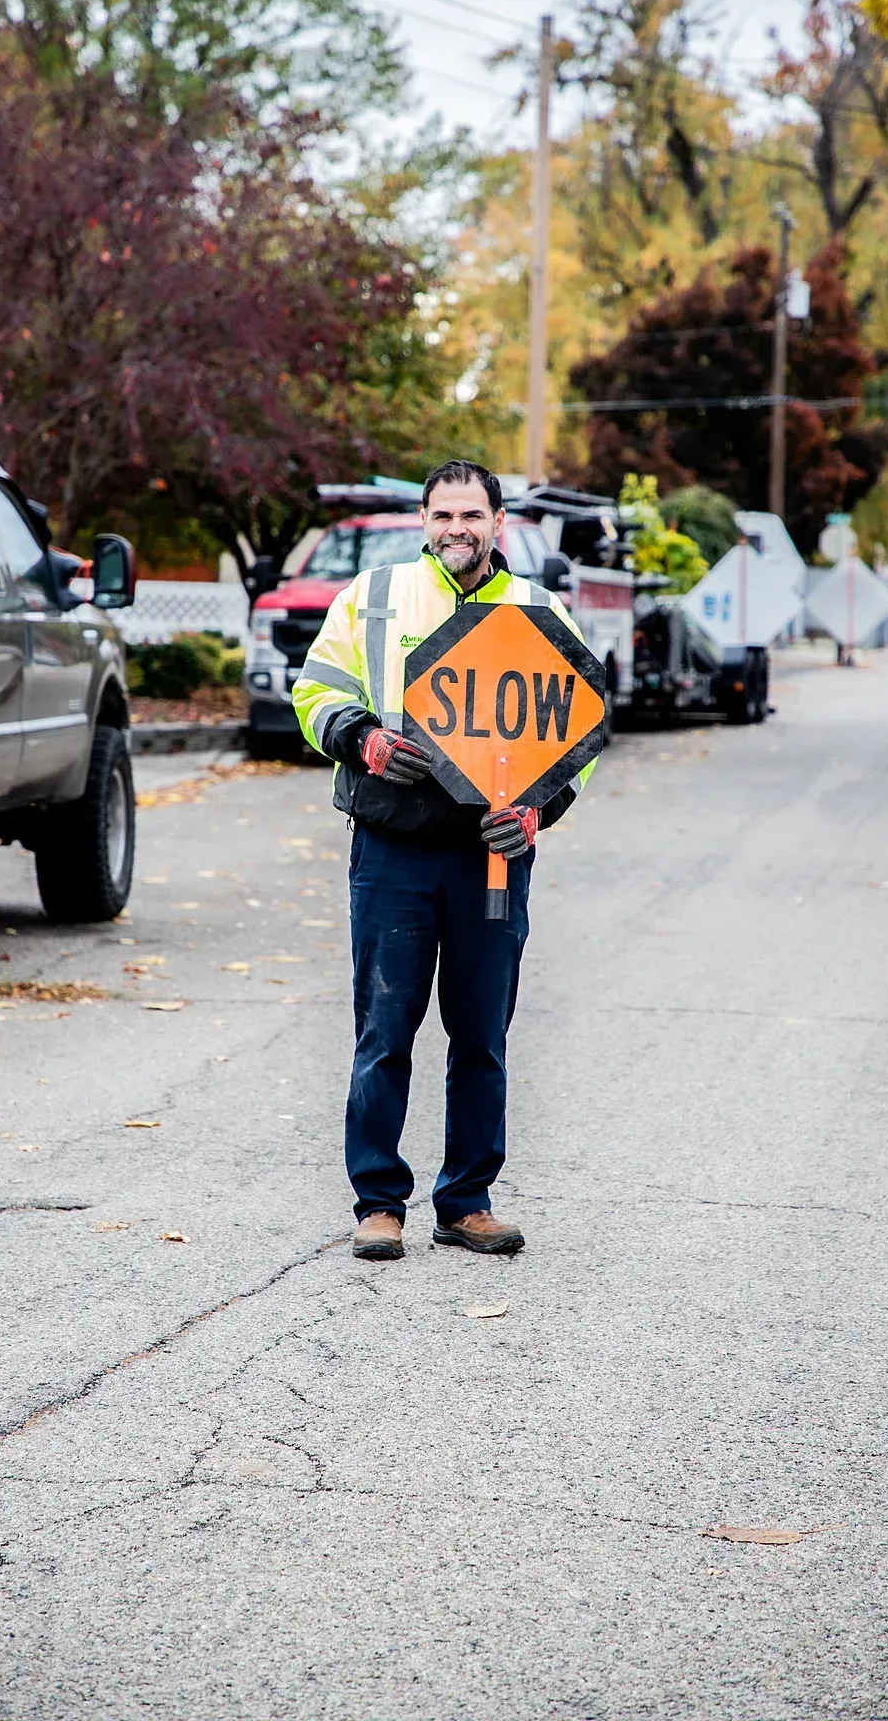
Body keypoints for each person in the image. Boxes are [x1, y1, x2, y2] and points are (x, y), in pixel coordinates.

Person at [293, 459, 593, 1262]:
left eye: (471, 515)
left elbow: (576, 734)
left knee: (482, 1034)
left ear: (499, 522)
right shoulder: (375, 597)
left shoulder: (538, 610)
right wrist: (362, 737)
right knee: (384, 1030)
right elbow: (314, 691)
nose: (456, 528)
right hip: (392, 852)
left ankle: (467, 1202)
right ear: (423, 523)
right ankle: (379, 1203)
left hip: (491, 860)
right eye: (441, 515)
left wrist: (537, 812)